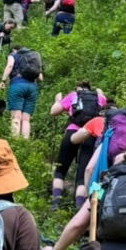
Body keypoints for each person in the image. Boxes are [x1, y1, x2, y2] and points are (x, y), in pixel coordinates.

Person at [49, 82, 106, 211]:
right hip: (91, 135)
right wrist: (101, 94)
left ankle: (55, 202)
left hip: (72, 132)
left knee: (60, 170)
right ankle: (79, 206)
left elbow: (53, 112)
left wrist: (58, 100)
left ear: (77, 88)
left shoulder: (73, 95)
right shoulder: (99, 97)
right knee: (82, 174)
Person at [0, 46, 42, 139]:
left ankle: (15, 142)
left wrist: (3, 80)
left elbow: (10, 65)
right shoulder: (32, 58)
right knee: (26, 119)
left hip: (18, 85)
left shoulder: (13, 55)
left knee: (16, 117)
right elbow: (40, 78)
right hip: (32, 87)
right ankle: (25, 143)